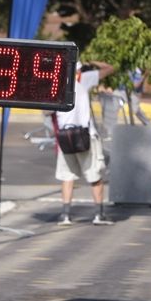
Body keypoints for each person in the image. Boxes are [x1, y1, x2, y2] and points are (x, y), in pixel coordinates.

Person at [52, 59, 116, 225]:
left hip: (65, 137)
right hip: (85, 135)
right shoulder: (83, 80)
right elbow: (110, 68)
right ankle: (99, 214)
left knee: (67, 176)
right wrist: (93, 62)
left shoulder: (56, 85)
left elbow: (47, 112)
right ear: (78, 71)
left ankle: (65, 215)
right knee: (94, 175)